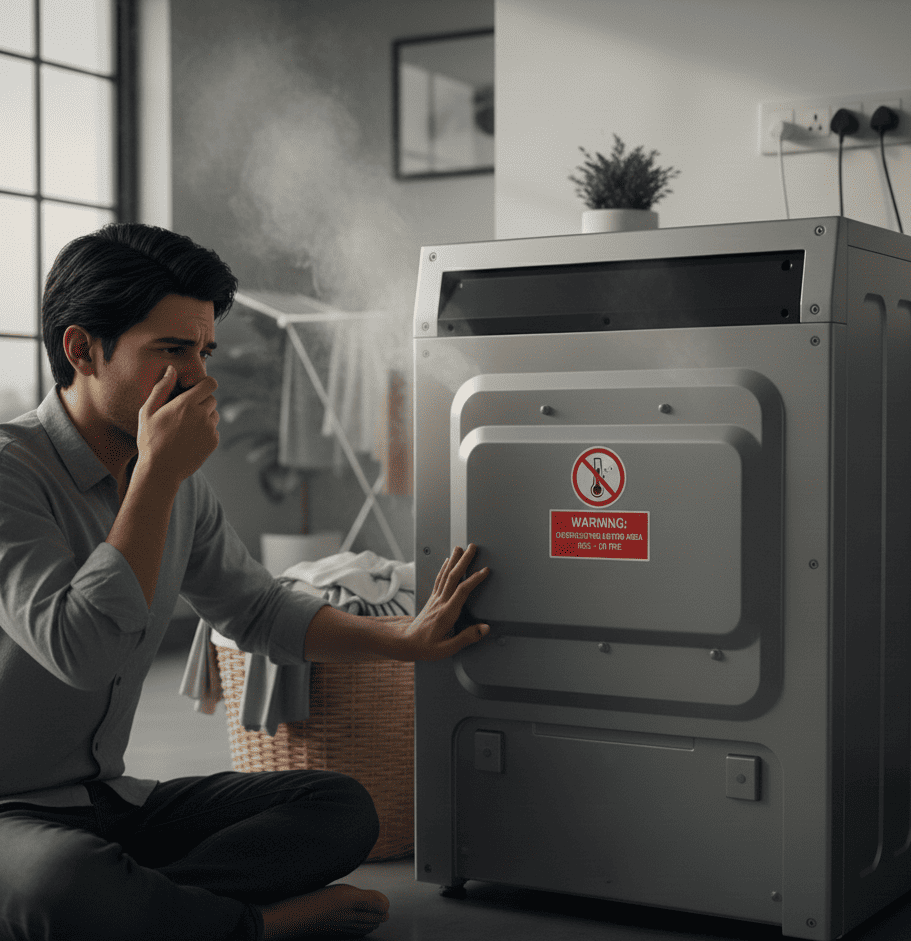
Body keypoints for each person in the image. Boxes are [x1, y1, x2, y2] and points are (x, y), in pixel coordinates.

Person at [0, 222, 491, 941]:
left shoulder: (172, 484)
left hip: (111, 801)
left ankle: (151, 913)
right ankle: (246, 925)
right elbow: (82, 652)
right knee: (64, 883)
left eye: (203, 350)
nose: (199, 376)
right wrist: (158, 478)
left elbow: (256, 610)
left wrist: (403, 637)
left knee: (341, 807)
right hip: (10, 811)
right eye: (170, 349)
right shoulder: (14, 473)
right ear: (80, 349)